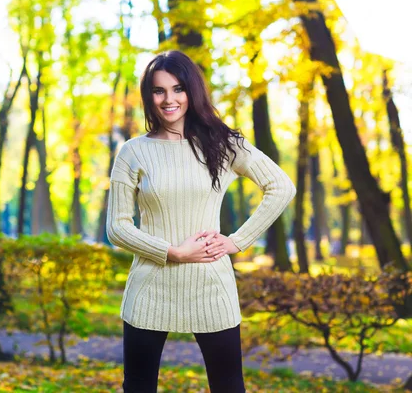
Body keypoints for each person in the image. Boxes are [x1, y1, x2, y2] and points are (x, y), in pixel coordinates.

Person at [106, 50, 296, 393]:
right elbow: (117, 227)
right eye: (158, 90)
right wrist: (174, 252)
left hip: (212, 286)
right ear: (149, 96)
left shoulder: (223, 143)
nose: (169, 99)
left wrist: (237, 241)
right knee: (138, 386)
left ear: (192, 91)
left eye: (178, 89)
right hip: (150, 288)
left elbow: (281, 186)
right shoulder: (133, 151)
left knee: (228, 387)